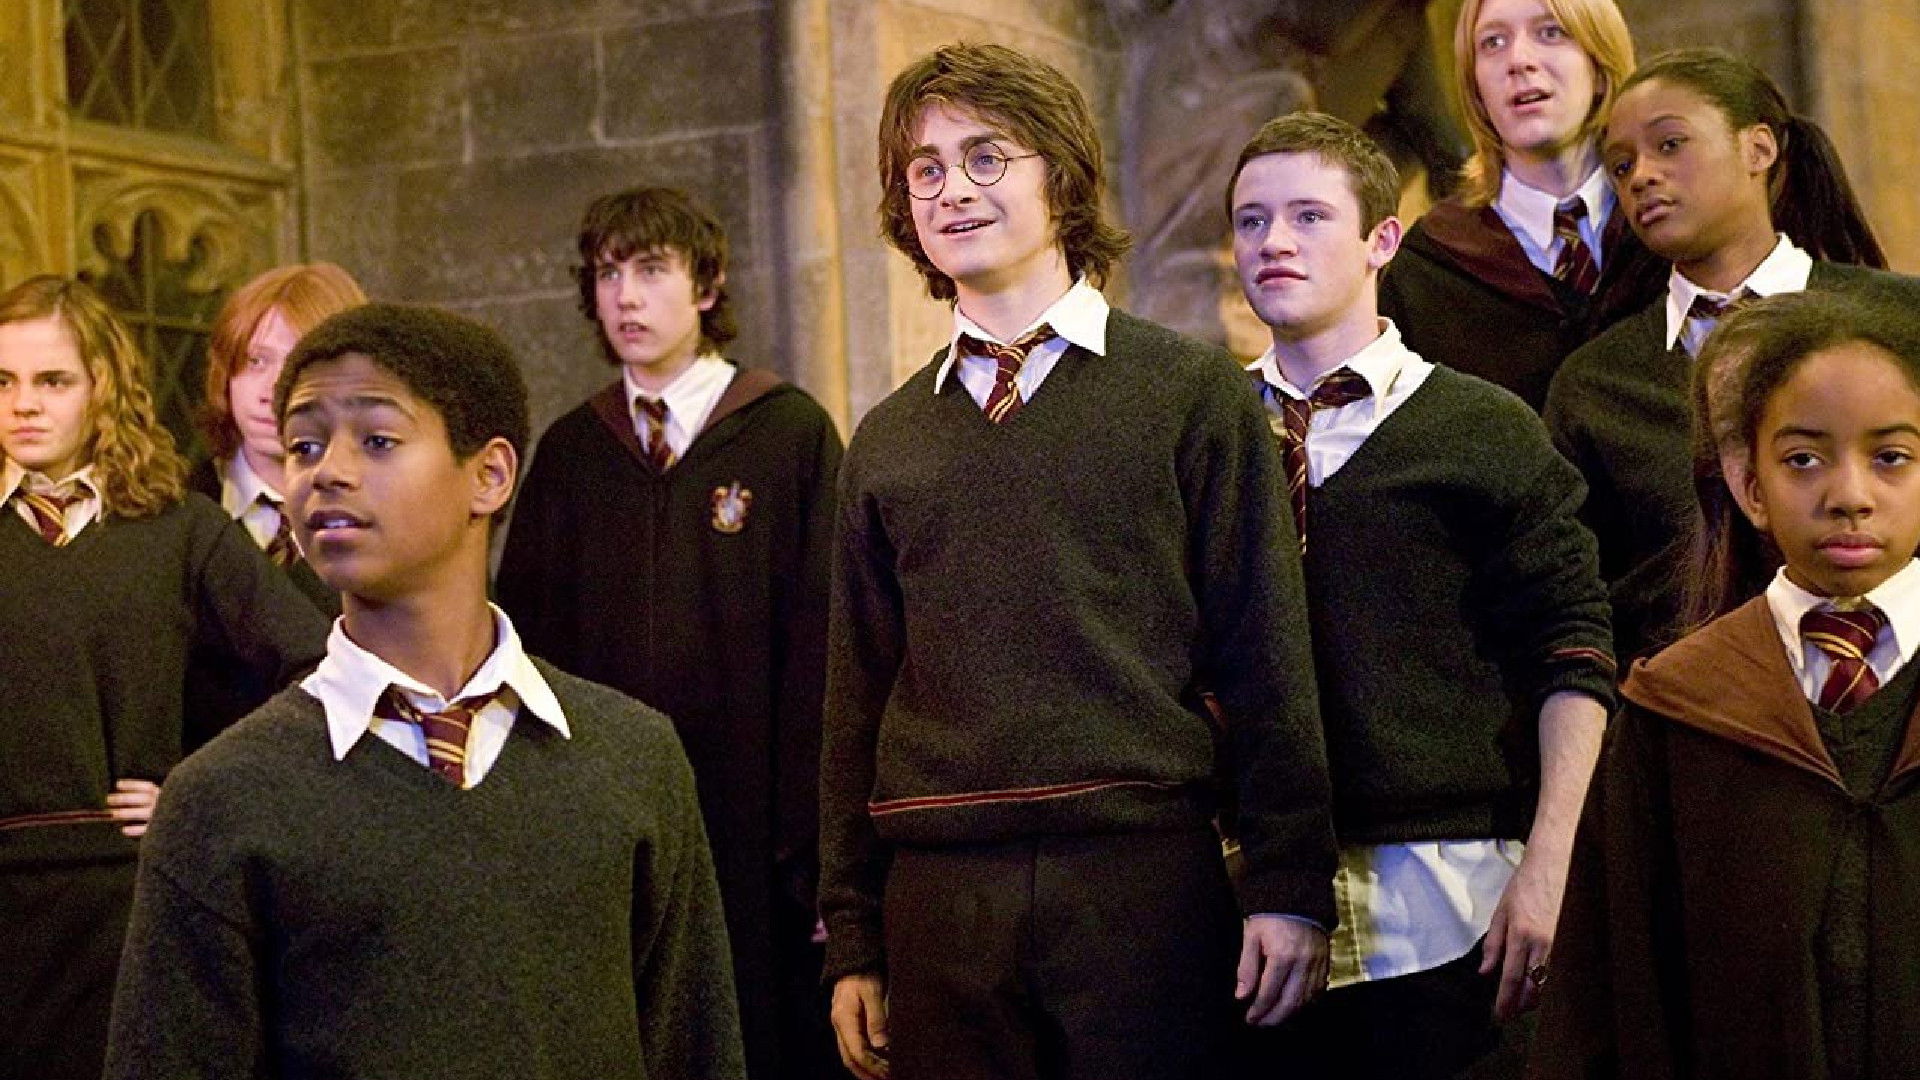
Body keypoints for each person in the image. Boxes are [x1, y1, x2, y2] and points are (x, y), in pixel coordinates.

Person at [819, 41, 1336, 1080]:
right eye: (925, 169)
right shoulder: (885, 439)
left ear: (1059, 174)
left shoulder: (1188, 393)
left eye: (985, 157)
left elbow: (1265, 647)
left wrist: (1290, 882)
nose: (952, 188)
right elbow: (855, 697)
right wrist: (854, 936)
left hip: (1140, 875)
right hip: (942, 894)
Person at [103, 304, 745, 1079]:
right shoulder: (224, 798)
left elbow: (695, 1051)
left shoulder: (631, 759)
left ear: (490, 475)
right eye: (305, 445)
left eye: (377, 440)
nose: (328, 471)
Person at [1228, 112, 1613, 1079]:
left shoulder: (1482, 427)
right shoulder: (1209, 434)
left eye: (1309, 215)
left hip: (1455, 905)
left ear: (1382, 240)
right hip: (1254, 913)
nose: (1274, 242)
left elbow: (1572, 654)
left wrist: (1552, 865)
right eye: (1250, 220)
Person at [496, 185, 842, 1080]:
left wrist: (823, 848)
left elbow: (828, 649)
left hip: (757, 825)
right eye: (608, 274)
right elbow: (524, 651)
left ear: (707, 285)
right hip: (610, 822)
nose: (626, 297)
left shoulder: (787, 435)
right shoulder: (572, 454)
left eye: (651, 270)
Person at [1532, 290, 1920, 1080]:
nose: (1850, 495)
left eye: (1892, 457)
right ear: (1749, 486)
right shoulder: (1680, 708)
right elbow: (1610, 991)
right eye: (1803, 459)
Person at [0, 276, 327, 1080]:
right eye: (3, 381)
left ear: (102, 387)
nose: (23, 405)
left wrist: (201, 792)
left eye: (53, 381)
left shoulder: (178, 528)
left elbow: (323, 667)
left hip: (131, 902)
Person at [1545, 46, 1920, 661]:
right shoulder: (1597, 382)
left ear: (1758, 149)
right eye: (1620, 166)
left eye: (1670, 145)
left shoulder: (1899, 321)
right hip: (1689, 695)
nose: (1641, 176)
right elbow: (1578, 594)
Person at [1379, 0, 1665, 412]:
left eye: (1550, 32)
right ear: (1476, 90)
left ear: (1600, 68)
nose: (1518, 61)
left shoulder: (1671, 229)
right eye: (1493, 42)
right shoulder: (1424, 271)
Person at [185, 262, 366, 731]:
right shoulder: (174, 509)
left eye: (296, 364)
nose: (269, 391)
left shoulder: (388, 509)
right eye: (255, 362)